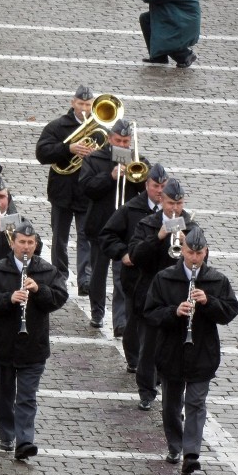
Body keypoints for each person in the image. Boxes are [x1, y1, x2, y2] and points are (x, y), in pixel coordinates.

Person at [144, 227, 238, 474]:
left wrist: (209, 302)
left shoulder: (217, 281)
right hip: (171, 352)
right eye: (190, 252)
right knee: (171, 405)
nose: (194, 258)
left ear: (205, 252)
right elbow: (150, 313)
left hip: (202, 354)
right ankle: (175, 445)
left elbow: (230, 312)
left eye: (199, 253)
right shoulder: (165, 278)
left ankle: (191, 453)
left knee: (196, 402)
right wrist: (174, 312)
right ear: (182, 251)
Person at [0, 222, 67, 459]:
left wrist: (40, 291)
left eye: (30, 243)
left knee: (27, 397)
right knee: (5, 395)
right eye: (22, 242)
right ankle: (7, 435)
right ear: (12, 243)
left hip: (34, 346)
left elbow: (59, 299)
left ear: (36, 245)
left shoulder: (47, 271)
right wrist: (9, 298)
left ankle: (25, 442)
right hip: (3, 344)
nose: (26, 247)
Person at [127, 178, 199, 412]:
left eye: (179, 203)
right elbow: (136, 256)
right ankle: (146, 391)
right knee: (148, 346)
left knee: (176, 346)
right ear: (162, 200)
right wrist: (157, 237)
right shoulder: (148, 224)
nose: (175, 208)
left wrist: (187, 247)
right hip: (152, 293)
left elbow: (203, 260)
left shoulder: (191, 226)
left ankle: (170, 387)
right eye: (170, 203)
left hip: (179, 295)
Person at [79, 119, 148, 332]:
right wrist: (110, 177)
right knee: (98, 274)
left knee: (121, 277)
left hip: (126, 230)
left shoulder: (138, 160)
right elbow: (87, 188)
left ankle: (120, 322)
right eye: (118, 140)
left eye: (126, 141)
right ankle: (97, 312)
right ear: (110, 139)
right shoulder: (95, 159)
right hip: (100, 226)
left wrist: (134, 173)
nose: (122, 145)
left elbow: (146, 190)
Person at [100, 163, 168, 373]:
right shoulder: (130, 208)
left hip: (160, 274)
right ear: (147, 185)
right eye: (156, 186)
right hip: (136, 275)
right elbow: (107, 235)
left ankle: (154, 361)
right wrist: (123, 253)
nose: (160, 191)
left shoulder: (173, 213)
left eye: (163, 186)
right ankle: (133, 359)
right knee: (134, 318)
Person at [35, 85, 97, 296]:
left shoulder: (100, 129)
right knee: (59, 237)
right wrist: (68, 148)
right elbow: (41, 153)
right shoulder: (57, 126)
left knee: (85, 237)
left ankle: (85, 280)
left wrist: (96, 155)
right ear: (73, 103)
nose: (84, 109)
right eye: (80, 104)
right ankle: (60, 275)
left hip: (86, 193)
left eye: (88, 105)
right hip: (61, 191)